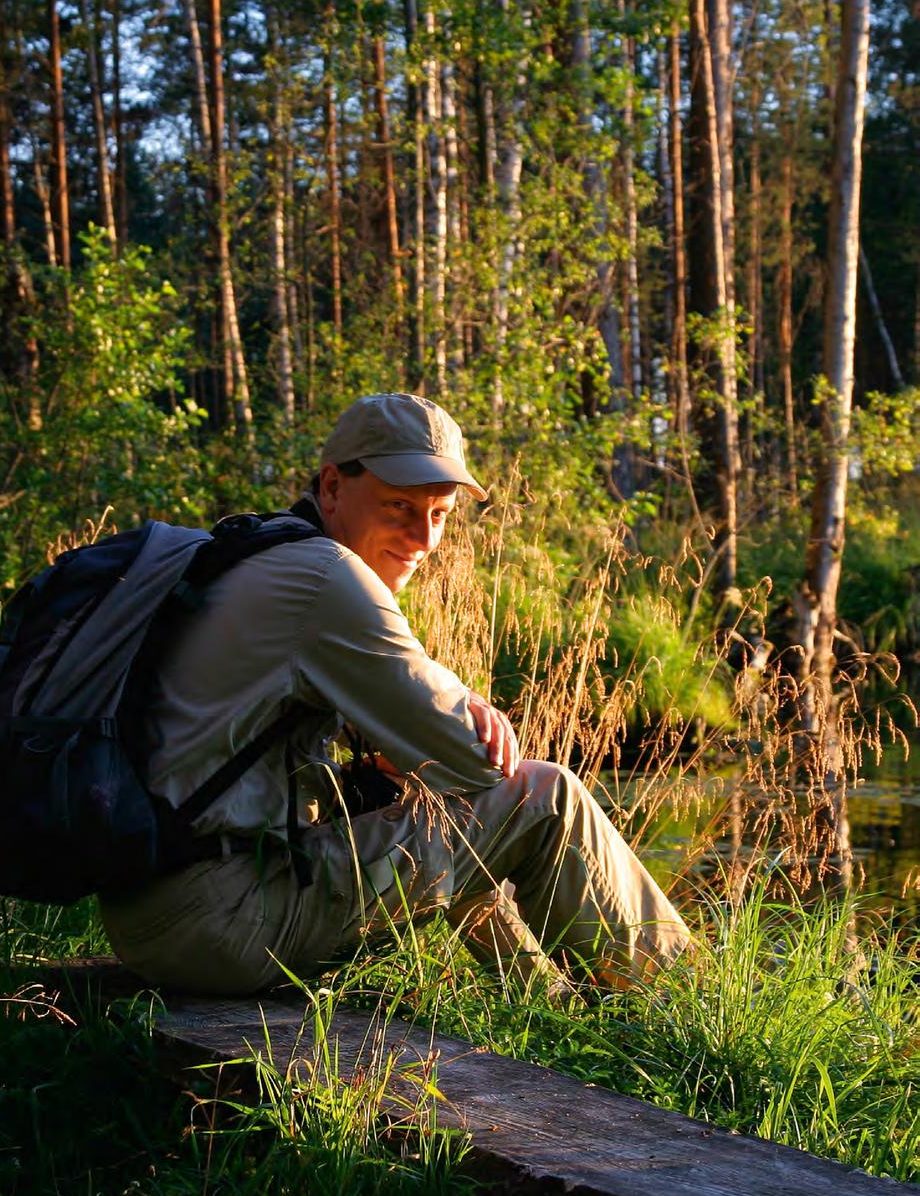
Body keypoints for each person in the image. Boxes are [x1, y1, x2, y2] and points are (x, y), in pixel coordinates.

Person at [100, 394, 691, 996]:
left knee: (436, 805)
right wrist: (467, 707)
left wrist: (401, 765)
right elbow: (477, 760)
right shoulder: (326, 576)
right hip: (224, 920)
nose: (424, 538)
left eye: (439, 514)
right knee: (545, 798)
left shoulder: (260, 555)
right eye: (400, 506)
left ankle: (550, 1003)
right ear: (332, 488)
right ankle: (681, 1006)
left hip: (163, 912)